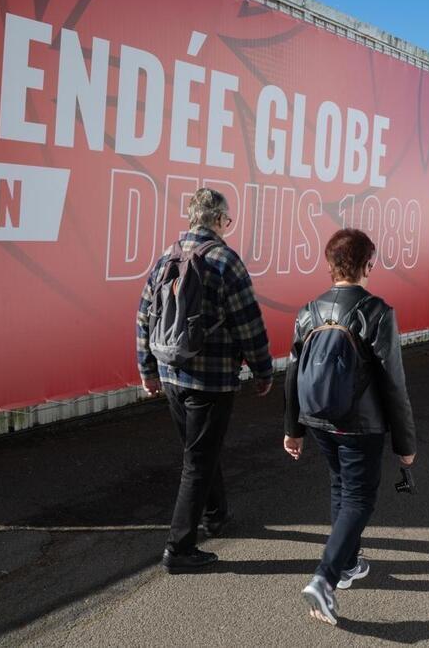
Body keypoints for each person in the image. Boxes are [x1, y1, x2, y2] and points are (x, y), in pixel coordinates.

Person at [282, 228, 416, 625]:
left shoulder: (308, 311)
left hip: (319, 419)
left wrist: (293, 428)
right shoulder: (377, 312)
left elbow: (292, 373)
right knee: (359, 498)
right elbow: (394, 382)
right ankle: (324, 578)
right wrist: (405, 442)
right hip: (361, 424)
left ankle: (348, 563)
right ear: (367, 265)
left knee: (341, 486)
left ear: (330, 266)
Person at [137, 187, 274, 573]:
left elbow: (144, 315)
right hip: (210, 379)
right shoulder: (225, 261)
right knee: (197, 461)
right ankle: (178, 549)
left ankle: (217, 513)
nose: (228, 227)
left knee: (200, 450)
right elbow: (248, 323)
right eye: (227, 220)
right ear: (216, 220)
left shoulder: (168, 256)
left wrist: (147, 369)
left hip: (170, 373)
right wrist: (263, 371)